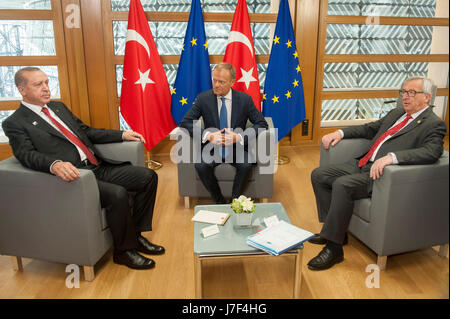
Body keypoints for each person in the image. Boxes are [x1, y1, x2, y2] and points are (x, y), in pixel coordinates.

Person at [2, 67, 164, 270]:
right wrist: (54, 165)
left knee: (147, 177)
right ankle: (123, 252)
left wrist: (121, 134)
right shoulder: (15, 122)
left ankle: (136, 236)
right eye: (38, 84)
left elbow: (86, 131)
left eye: (46, 82)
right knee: (117, 194)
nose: (45, 88)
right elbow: (26, 155)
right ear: (22, 90)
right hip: (77, 177)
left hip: (97, 166)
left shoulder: (58, 107)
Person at [308, 76, 447, 271]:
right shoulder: (397, 112)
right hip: (363, 163)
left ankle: (334, 248)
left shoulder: (433, 124)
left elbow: (432, 152)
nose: (405, 97)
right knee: (319, 175)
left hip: (381, 175)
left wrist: (392, 157)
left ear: (427, 97)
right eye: (403, 92)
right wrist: (340, 133)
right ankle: (334, 231)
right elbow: (369, 128)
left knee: (342, 185)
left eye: (412, 93)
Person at [179, 63, 268, 204]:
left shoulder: (245, 100)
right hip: (212, 148)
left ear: (232, 82)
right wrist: (209, 136)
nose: (216, 85)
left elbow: (262, 124)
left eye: (221, 82)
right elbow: (185, 122)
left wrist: (238, 137)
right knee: (201, 166)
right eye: (214, 80)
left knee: (246, 165)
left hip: (236, 148)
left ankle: (235, 201)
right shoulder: (204, 99)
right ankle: (219, 201)